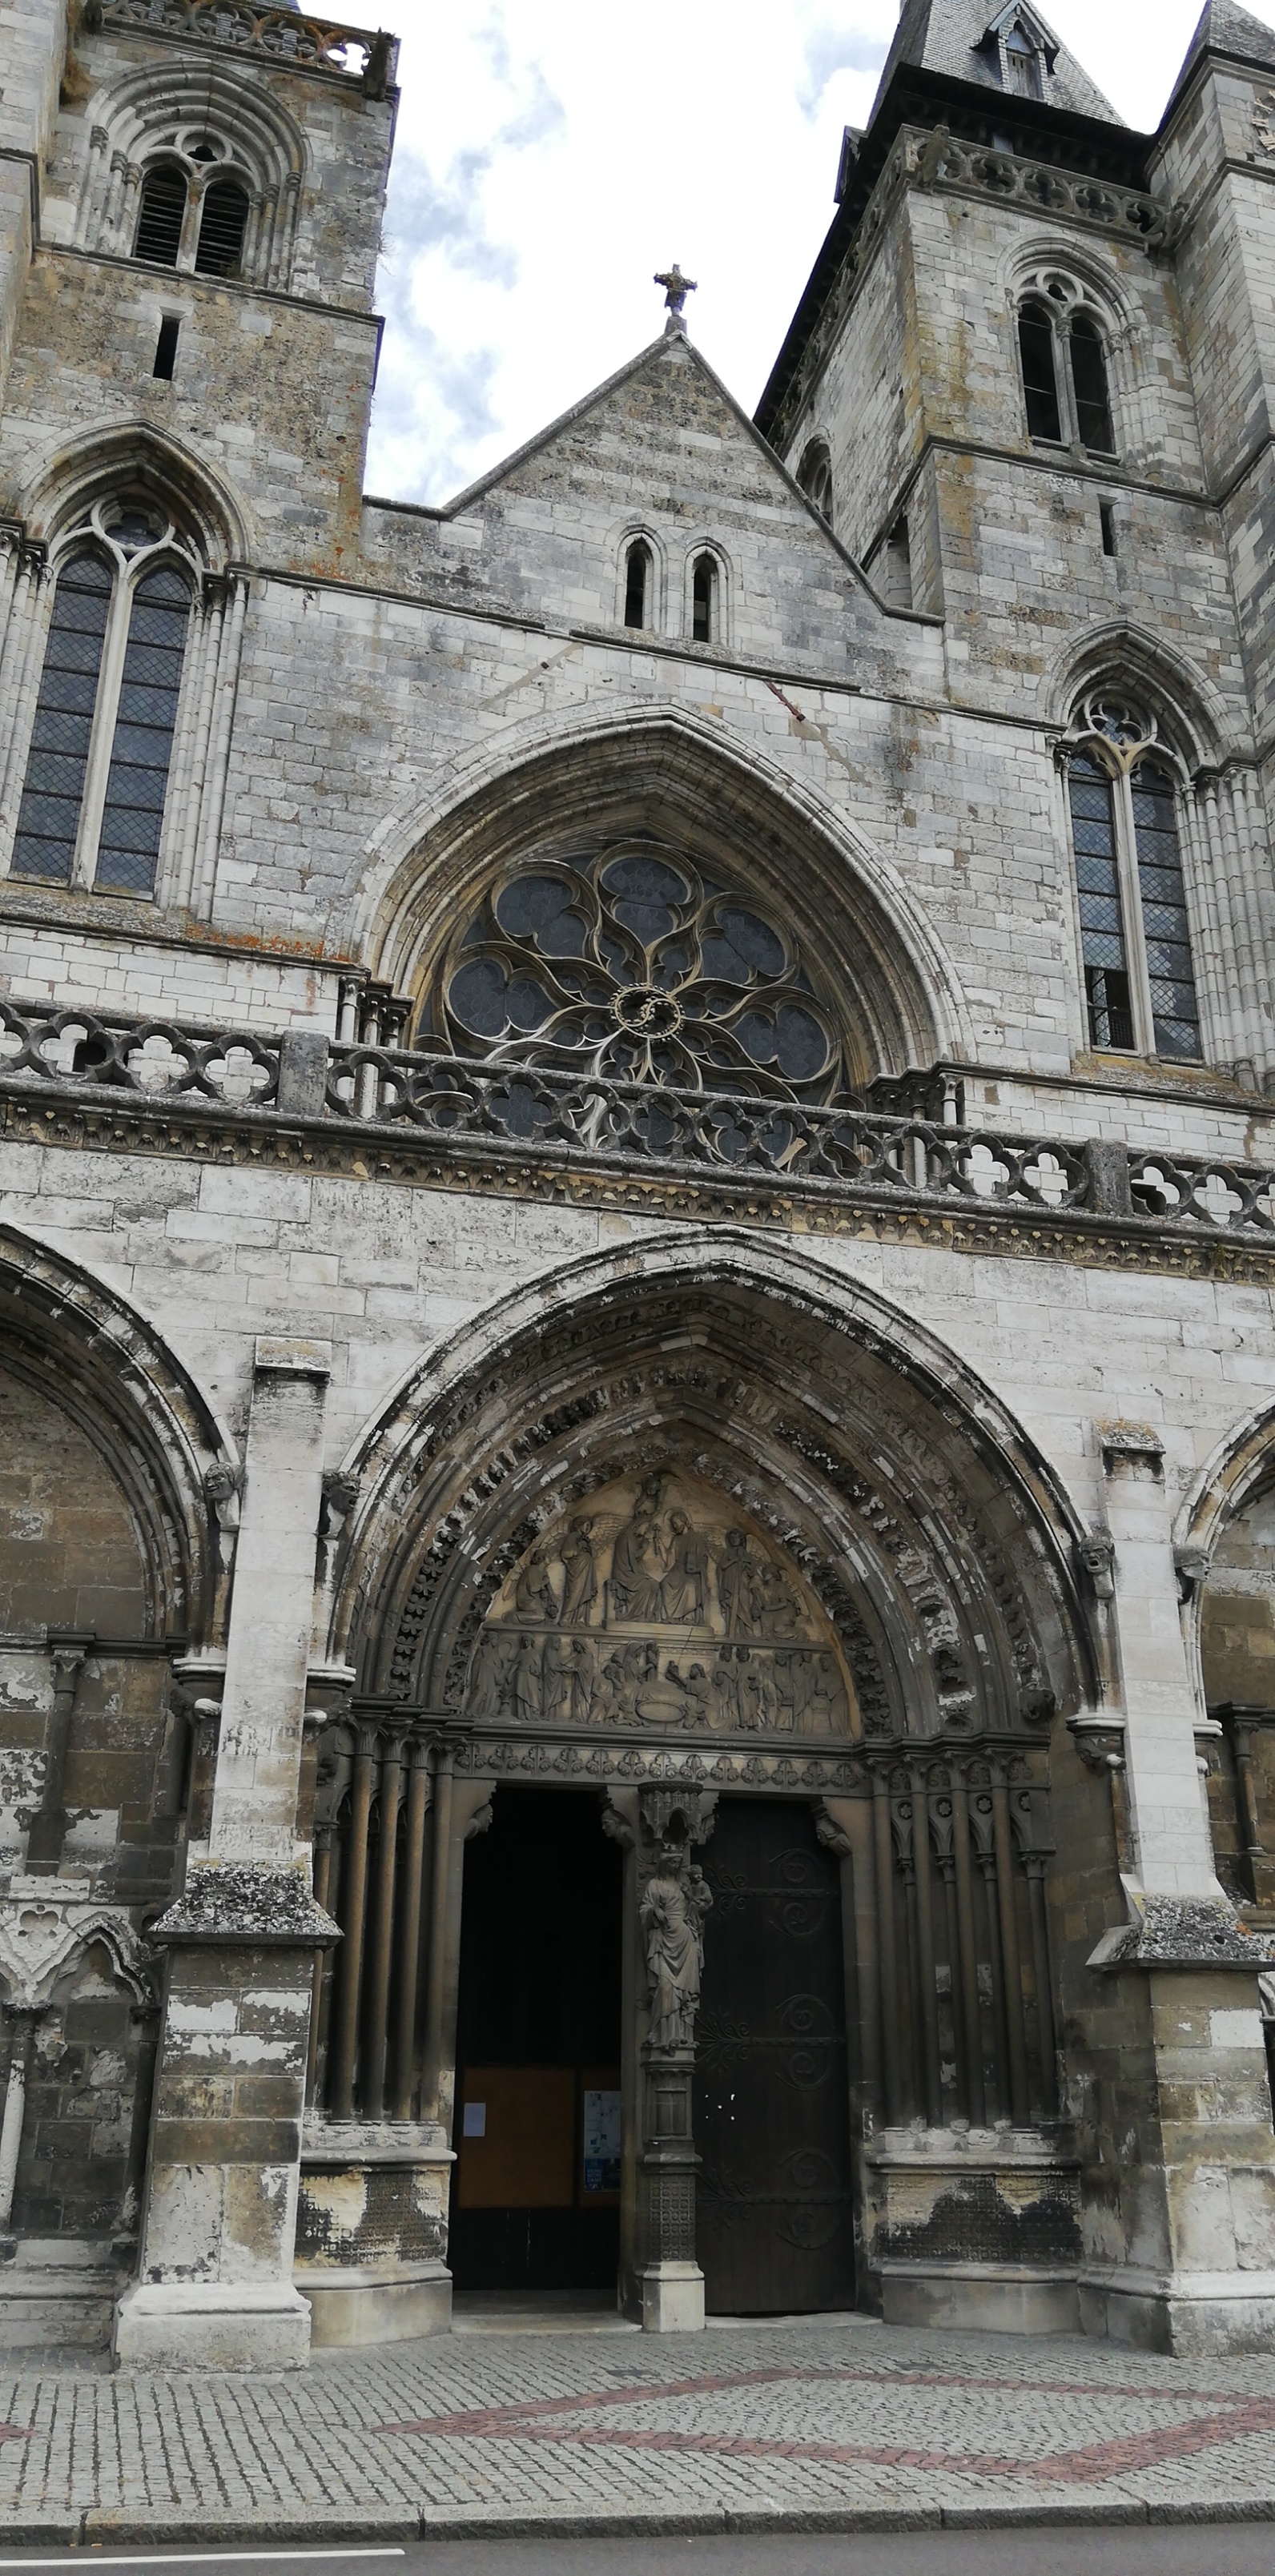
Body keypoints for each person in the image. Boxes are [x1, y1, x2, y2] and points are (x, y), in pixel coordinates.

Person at [641, 1852, 713, 2048]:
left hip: (686, 1940)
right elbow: (644, 1910)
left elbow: (697, 1909)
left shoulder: (684, 1886)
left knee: (686, 1992)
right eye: (672, 1862)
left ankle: (683, 2036)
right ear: (664, 1863)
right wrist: (654, 1911)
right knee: (665, 1986)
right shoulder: (655, 1885)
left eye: (678, 1863)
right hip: (663, 1941)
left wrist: (698, 1908)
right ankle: (659, 2034)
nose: (675, 1866)